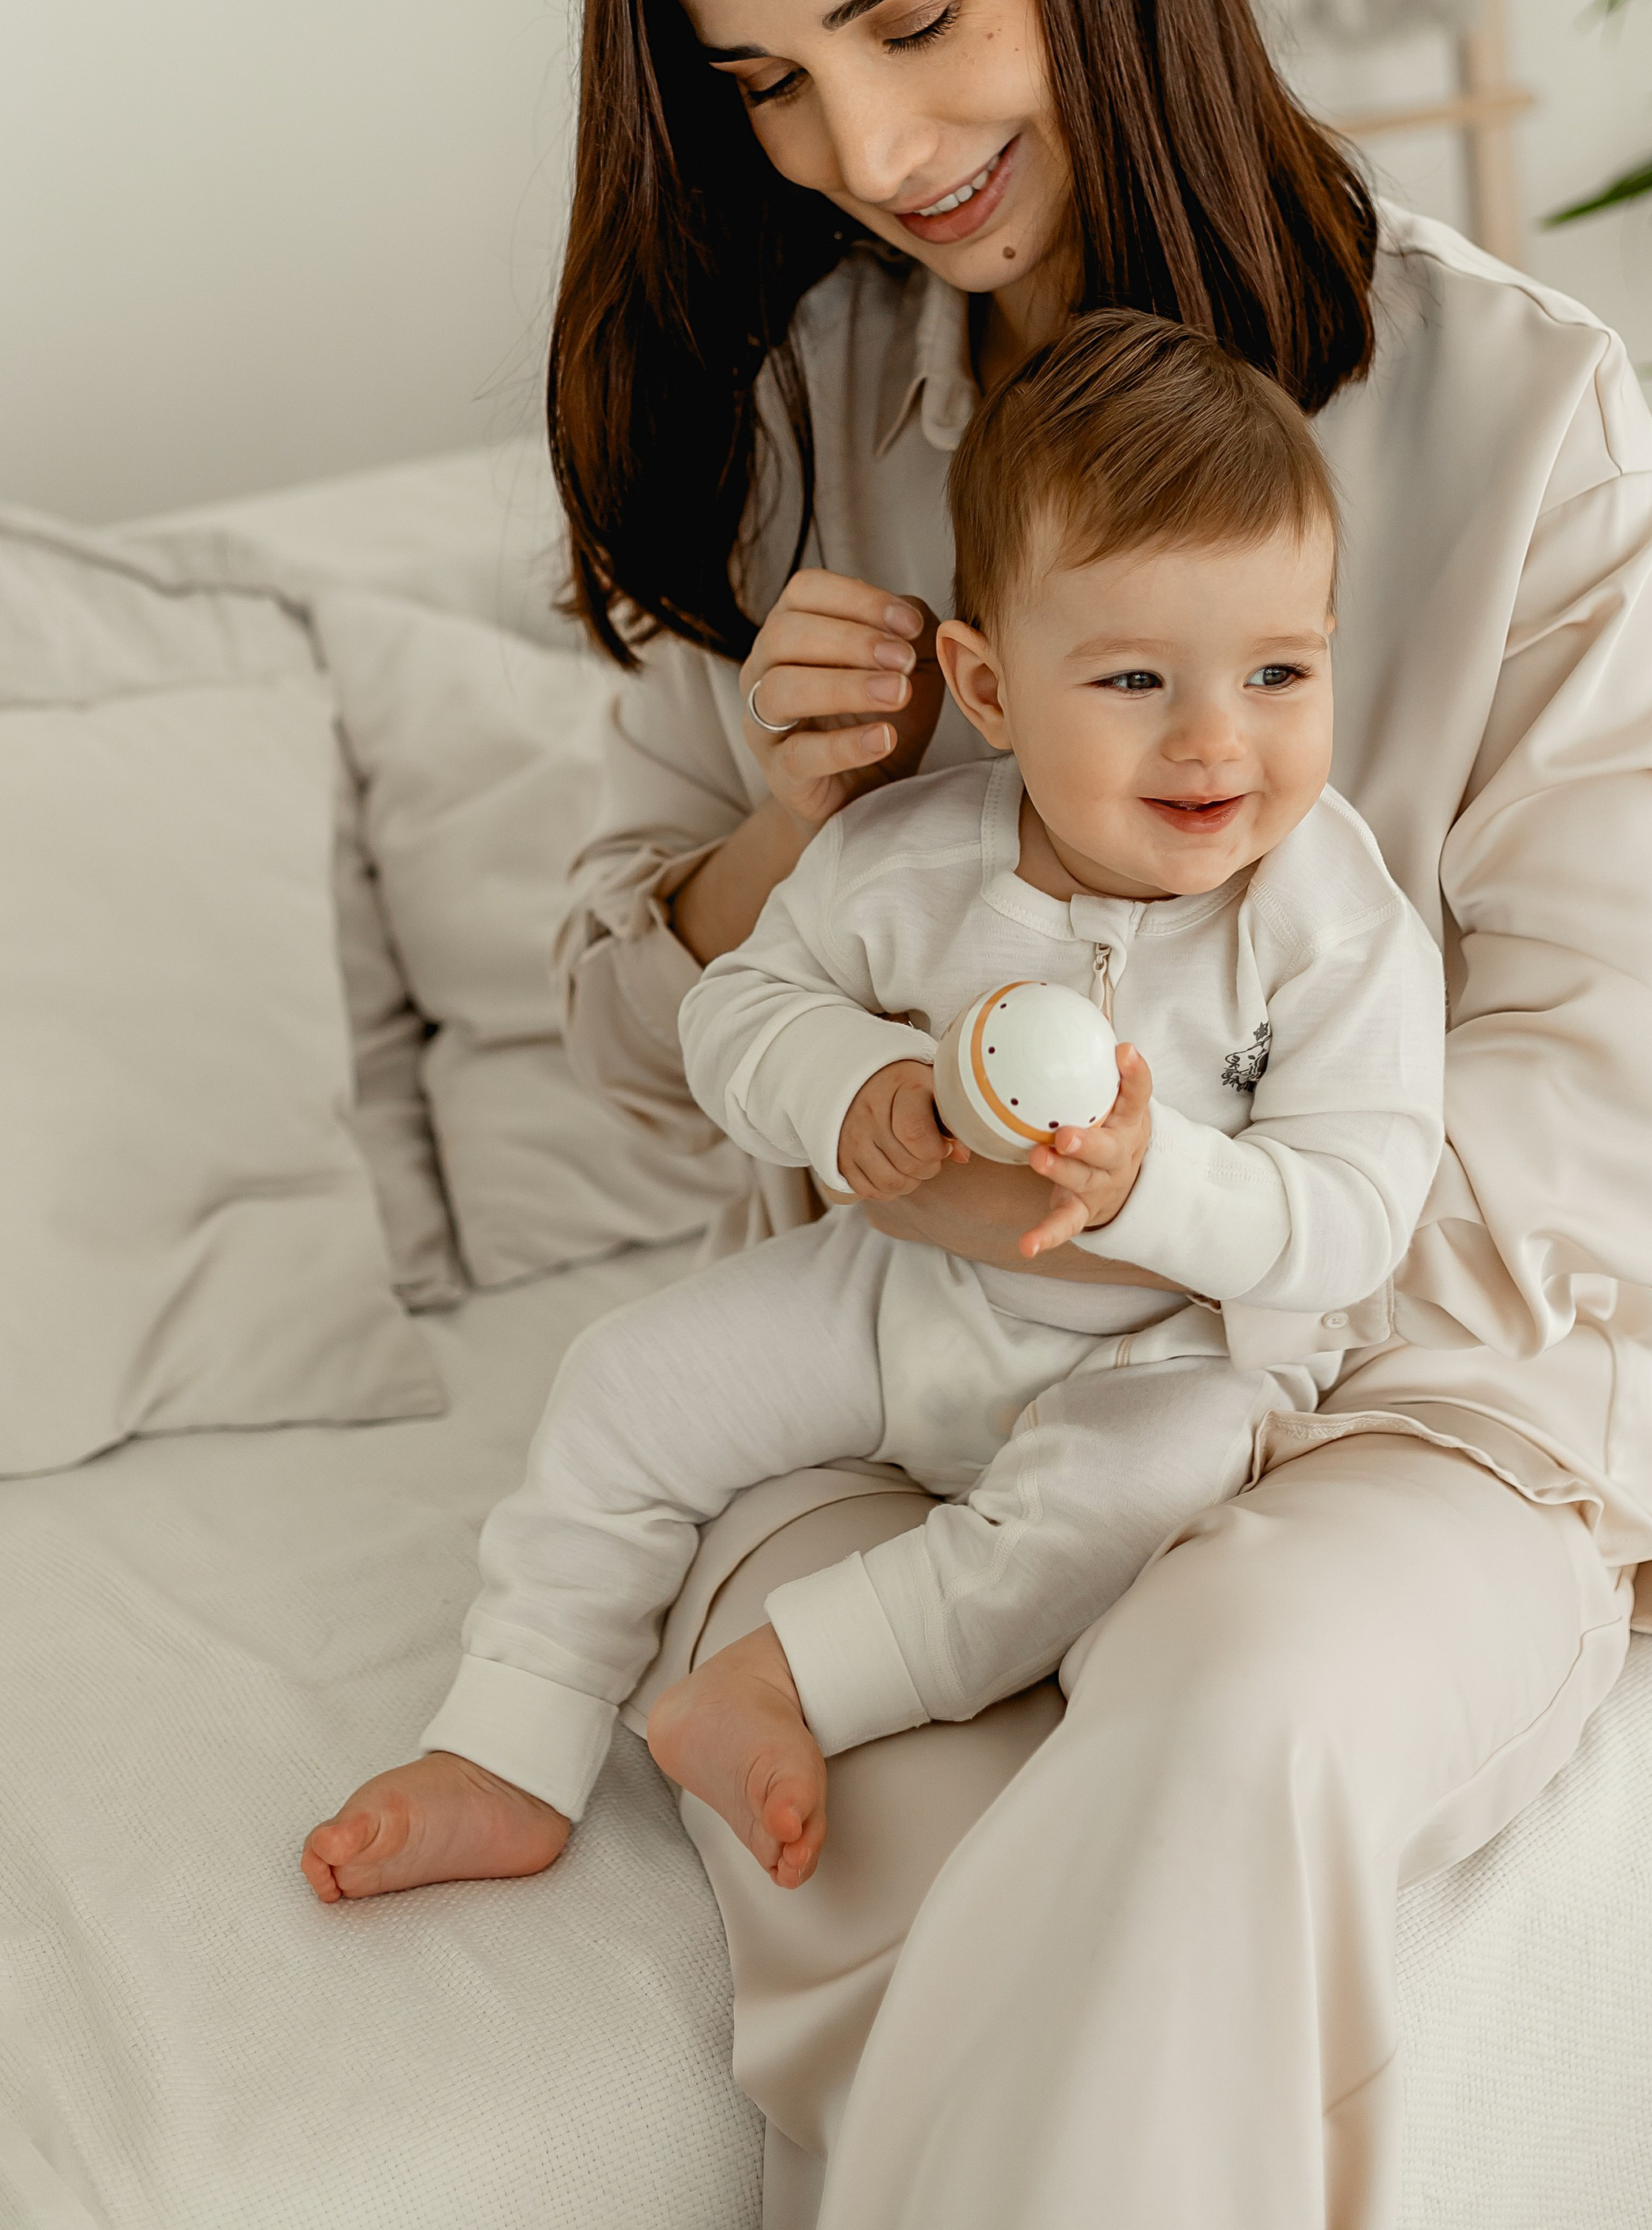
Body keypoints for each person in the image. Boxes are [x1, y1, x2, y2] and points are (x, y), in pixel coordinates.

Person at [338, 0, 1652, 2228]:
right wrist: (788, 828)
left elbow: (1634, 1105)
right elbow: (633, 1028)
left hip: (1410, 1389)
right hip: (897, 1383)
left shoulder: (1514, 410)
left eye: (911, 21)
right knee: (874, 1836)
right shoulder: (802, 421)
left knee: (1233, 1707)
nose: (870, 157)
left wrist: (1199, 1310)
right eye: (767, 80)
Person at [301, 314, 1446, 1901]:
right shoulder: (908, 860)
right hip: (900, 1286)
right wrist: (857, 1090)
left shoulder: (1332, 921)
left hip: (1157, 1344)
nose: (1212, 738)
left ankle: (783, 1684)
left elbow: (1353, 1211)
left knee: (1128, 1502)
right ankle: (508, 1735)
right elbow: (738, 1014)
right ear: (984, 682)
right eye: (1130, 677)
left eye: (1277, 672)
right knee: (622, 1384)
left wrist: (1147, 1181)